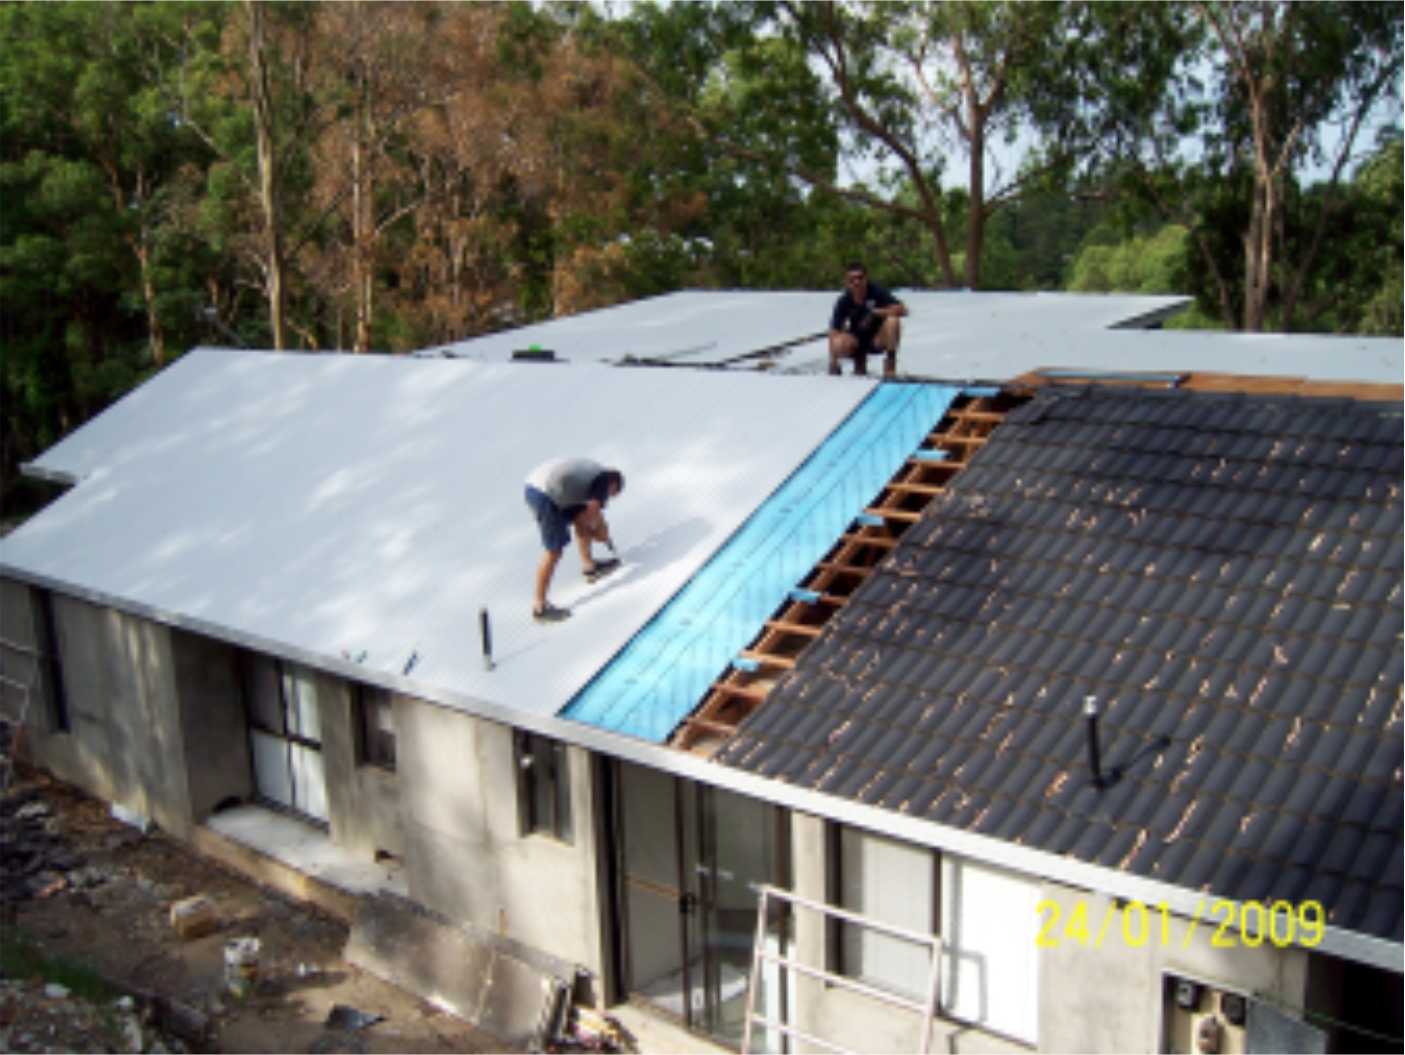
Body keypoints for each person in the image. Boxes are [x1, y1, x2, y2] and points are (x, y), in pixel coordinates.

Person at [524, 458, 625, 622]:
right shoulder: (602, 480)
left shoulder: (590, 473)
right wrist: (602, 534)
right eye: (612, 494)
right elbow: (593, 516)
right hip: (545, 493)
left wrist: (594, 524)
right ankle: (539, 607)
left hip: (542, 486)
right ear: (613, 484)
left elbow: (584, 515)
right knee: (554, 551)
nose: (608, 499)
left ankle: (589, 566)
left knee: (580, 515)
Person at [828, 262, 908, 378]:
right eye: (852, 280)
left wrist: (877, 312)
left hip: (877, 340)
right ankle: (858, 361)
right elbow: (834, 329)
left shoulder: (877, 292)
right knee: (837, 341)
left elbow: (903, 310)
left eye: (860, 278)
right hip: (857, 341)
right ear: (847, 282)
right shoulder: (844, 300)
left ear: (866, 279)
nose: (856, 282)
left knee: (893, 321)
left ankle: (890, 364)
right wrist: (834, 361)